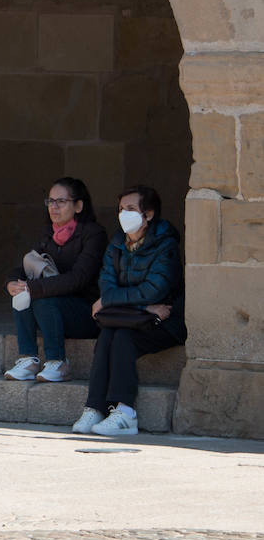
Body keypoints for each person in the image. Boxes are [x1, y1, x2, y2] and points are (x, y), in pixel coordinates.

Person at [72, 185, 186, 436]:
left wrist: (115, 301)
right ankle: (95, 408)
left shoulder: (165, 245)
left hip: (165, 321)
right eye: (121, 209)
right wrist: (143, 306)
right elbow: (107, 284)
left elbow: (154, 290)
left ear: (149, 214)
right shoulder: (116, 244)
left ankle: (125, 413)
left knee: (122, 337)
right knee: (108, 336)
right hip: (137, 317)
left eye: (131, 209)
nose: (124, 214)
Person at [3, 177, 107, 383]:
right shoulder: (49, 234)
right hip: (53, 312)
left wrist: (34, 287)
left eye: (61, 201)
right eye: (50, 201)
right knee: (22, 294)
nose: (54, 207)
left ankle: (58, 362)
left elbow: (79, 278)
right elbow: (26, 266)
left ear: (78, 205)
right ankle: (28, 359)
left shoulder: (93, 234)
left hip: (86, 313)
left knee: (40, 296)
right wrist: (12, 282)